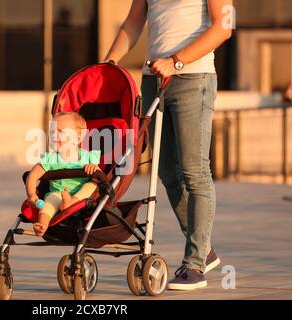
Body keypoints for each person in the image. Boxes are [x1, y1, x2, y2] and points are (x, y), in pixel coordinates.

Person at [104, 0, 232, 290]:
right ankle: (203, 246)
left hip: (193, 76)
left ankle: (195, 264)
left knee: (194, 171)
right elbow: (133, 22)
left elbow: (224, 27)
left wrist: (177, 60)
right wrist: (109, 61)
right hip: (154, 78)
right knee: (166, 171)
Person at [26, 112, 101, 237]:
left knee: (92, 184)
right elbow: (33, 175)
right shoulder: (51, 159)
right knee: (49, 203)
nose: (54, 136)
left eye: (61, 132)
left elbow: (101, 177)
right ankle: (42, 225)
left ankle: (72, 201)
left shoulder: (88, 157)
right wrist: (32, 194)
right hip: (58, 194)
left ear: (78, 138)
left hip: (82, 197)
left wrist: (94, 168)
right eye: (52, 132)